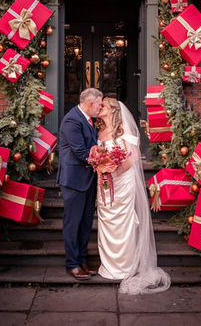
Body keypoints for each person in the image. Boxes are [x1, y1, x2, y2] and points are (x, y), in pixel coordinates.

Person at [94, 97, 171, 294]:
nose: (100, 107)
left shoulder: (123, 130)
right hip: (104, 183)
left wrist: (115, 173)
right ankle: (109, 266)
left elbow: (133, 156)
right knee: (106, 219)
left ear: (112, 110)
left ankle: (125, 267)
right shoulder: (100, 130)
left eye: (103, 105)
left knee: (123, 221)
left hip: (122, 181)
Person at [57, 87, 103, 281]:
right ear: (90, 103)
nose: (101, 108)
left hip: (88, 180)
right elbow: (80, 151)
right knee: (73, 224)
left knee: (85, 224)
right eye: (100, 104)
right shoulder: (71, 120)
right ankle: (72, 264)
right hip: (74, 180)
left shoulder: (88, 119)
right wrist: (104, 162)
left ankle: (82, 261)